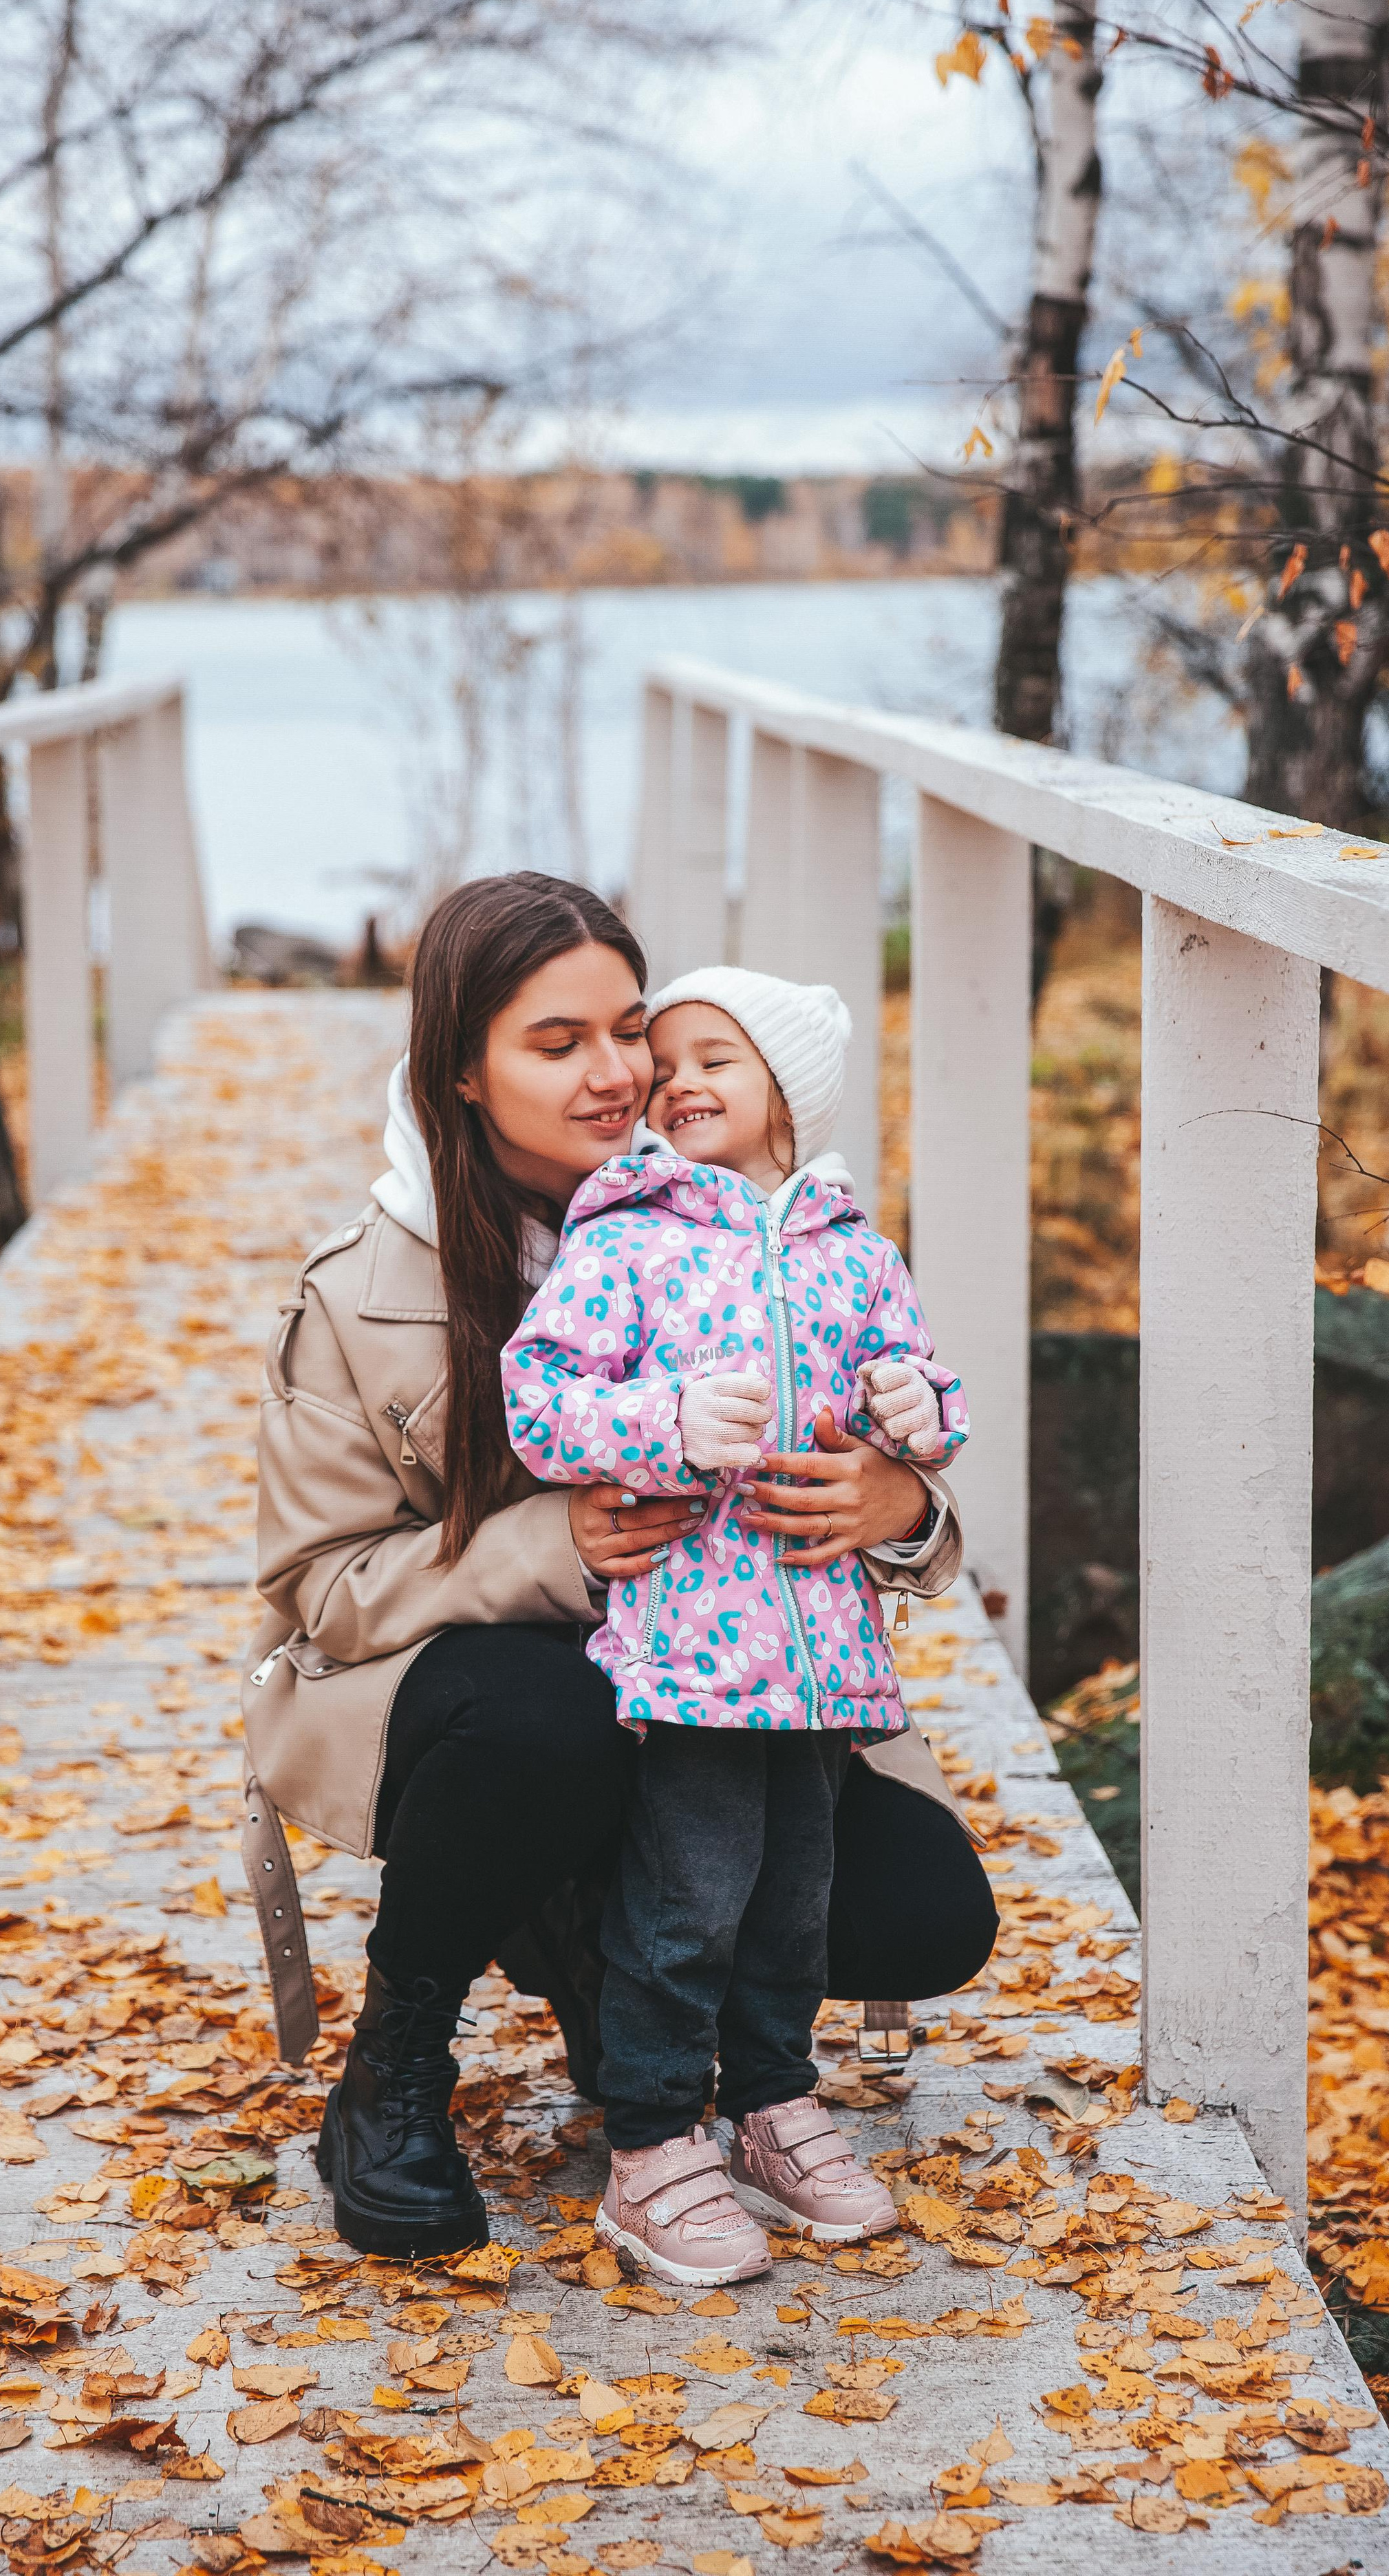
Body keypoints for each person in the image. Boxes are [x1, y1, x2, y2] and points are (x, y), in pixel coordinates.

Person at [244, 873, 998, 2261]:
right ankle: (396, 2062)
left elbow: (903, 1464)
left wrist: (896, 1501)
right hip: (481, 1696)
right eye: (555, 1043)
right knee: (552, 1727)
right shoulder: (365, 1288)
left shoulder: (766, 1234)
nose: (615, 1075)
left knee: (924, 1914)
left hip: (728, 1669)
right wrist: (555, 1543)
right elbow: (320, 1590)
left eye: (632, 1031)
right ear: (459, 1070)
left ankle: (640, 1984)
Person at [502, 968, 968, 2285]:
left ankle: (772, 2104)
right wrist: (662, 1427)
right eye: (670, 1056)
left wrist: (916, 1415)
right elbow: (538, 1398)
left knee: (792, 1906)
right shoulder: (627, 1239)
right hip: (698, 1650)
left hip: (826, 1652)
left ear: (789, 1096)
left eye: (721, 1059)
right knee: (689, 1898)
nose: (679, 1078)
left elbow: (920, 1390)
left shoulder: (858, 1253)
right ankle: (651, 2143)